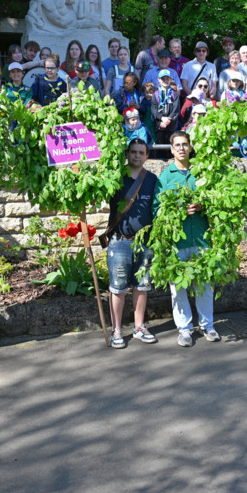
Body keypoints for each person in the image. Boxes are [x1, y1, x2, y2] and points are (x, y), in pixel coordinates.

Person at [154, 131, 220, 346]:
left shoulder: (201, 172)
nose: (181, 148)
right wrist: (179, 210)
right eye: (177, 145)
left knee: (205, 285)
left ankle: (207, 326)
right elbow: (157, 210)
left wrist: (204, 206)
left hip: (201, 238)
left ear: (190, 147)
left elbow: (218, 202)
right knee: (179, 288)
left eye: (185, 144)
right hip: (177, 242)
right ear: (172, 149)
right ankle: (184, 329)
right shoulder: (166, 177)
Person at [105, 138, 159, 348]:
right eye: (133, 152)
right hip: (120, 242)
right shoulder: (115, 177)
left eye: (141, 152)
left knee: (142, 286)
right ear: (127, 154)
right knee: (117, 288)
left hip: (145, 242)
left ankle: (139, 327)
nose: (137, 155)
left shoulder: (153, 179)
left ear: (147, 156)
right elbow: (95, 196)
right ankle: (117, 330)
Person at [152, 69, 181, 145]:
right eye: (163, 79)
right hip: (159, 124)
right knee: (160, 144)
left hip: (171, 125)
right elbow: (153, 110)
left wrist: (168, 120)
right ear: (159, 80)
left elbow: (176, 109)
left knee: (170, 144)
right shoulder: (155, 94)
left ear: (171, 79)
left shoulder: (175, 94)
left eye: (167, 78)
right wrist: (161, 118)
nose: (165, 80)